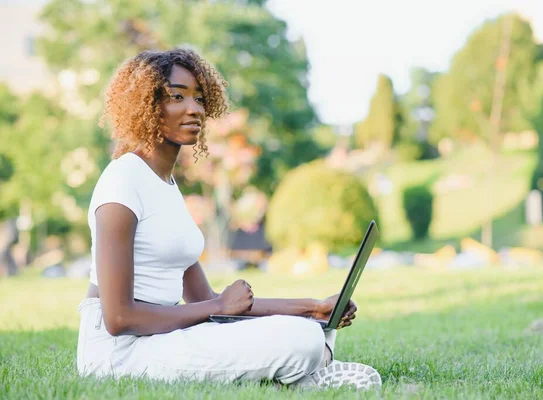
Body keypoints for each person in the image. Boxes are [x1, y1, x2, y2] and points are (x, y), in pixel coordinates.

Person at [77, 48, 382, 390]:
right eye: (177, 96)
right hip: (118, 354)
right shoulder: (124, 181)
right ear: (146, 105)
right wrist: (219, 305)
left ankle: (305, 369)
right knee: (301, 340)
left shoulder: (165, 185)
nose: (194, 109)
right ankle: (308, 375)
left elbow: (206, 300)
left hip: (159, 337)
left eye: (199, 98)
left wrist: (313, 308)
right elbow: (119, 318)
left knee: (310, 329)